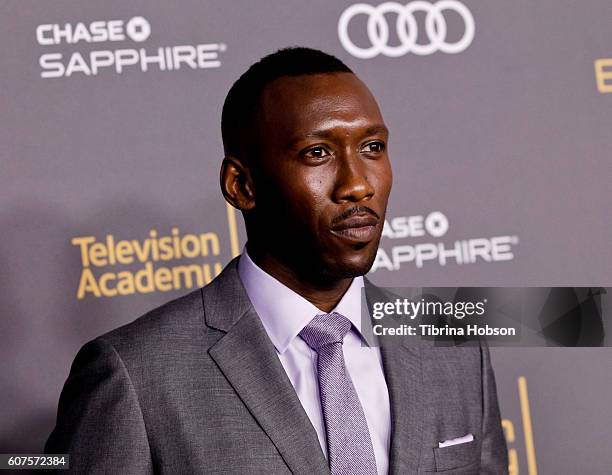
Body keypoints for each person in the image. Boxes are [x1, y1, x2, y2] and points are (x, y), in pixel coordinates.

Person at [46, 47, 508, 474]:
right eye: (318, 153)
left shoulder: (453, 348)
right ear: (241, 186)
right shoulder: (135, 374)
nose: (357, 185)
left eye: (373, 148)